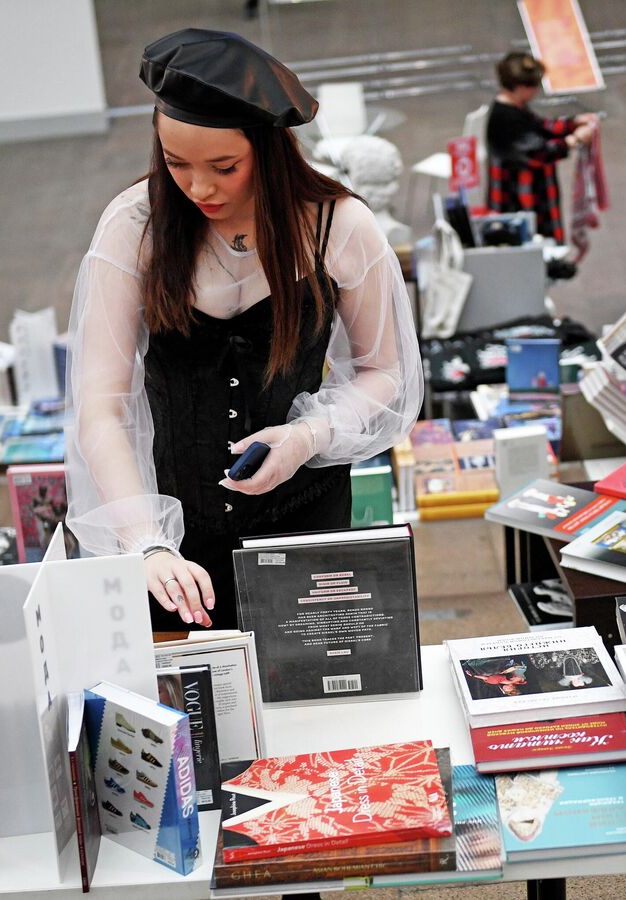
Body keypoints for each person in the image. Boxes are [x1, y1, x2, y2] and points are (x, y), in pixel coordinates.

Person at [65, 30, 421, 635]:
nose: (199, 188)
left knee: (311, 680)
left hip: (305, 521)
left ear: (269, 152)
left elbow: (384, 371)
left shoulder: (337, 225)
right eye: (176, 163)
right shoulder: (136, 226)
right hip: (176, 543)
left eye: (224, 167)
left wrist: (308, 436)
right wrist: (146, 542)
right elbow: (101, 407)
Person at [486, 51, 597, 243]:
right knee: (534, 246)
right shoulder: (505, 118)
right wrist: (574, 140)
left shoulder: (514, 108)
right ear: (520, 87)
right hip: (520, 201)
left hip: (530, 197)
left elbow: (540, 126)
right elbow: (539, 152)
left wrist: (572, 123)